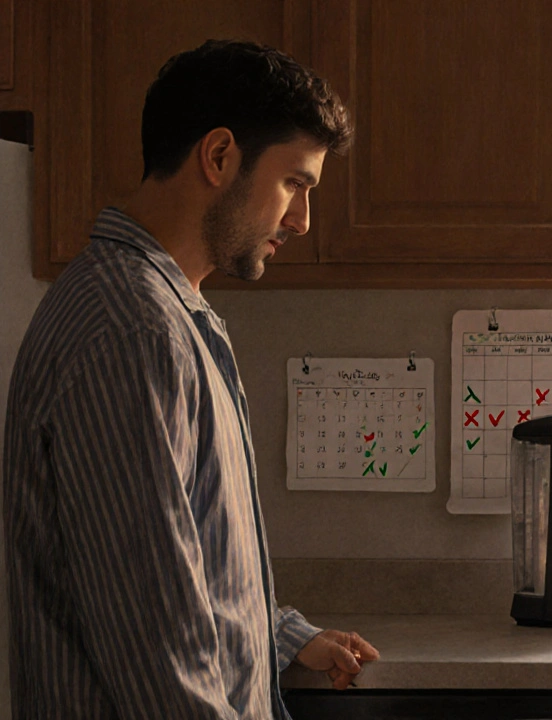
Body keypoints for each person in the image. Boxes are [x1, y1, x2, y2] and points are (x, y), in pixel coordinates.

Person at [3, 40, 380, 718]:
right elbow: (160, 659)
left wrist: (282, 634)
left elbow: (181, 562)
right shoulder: (134, 332)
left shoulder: (168, 313)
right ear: (219, 156)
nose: (302, 220)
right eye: (294, 184)